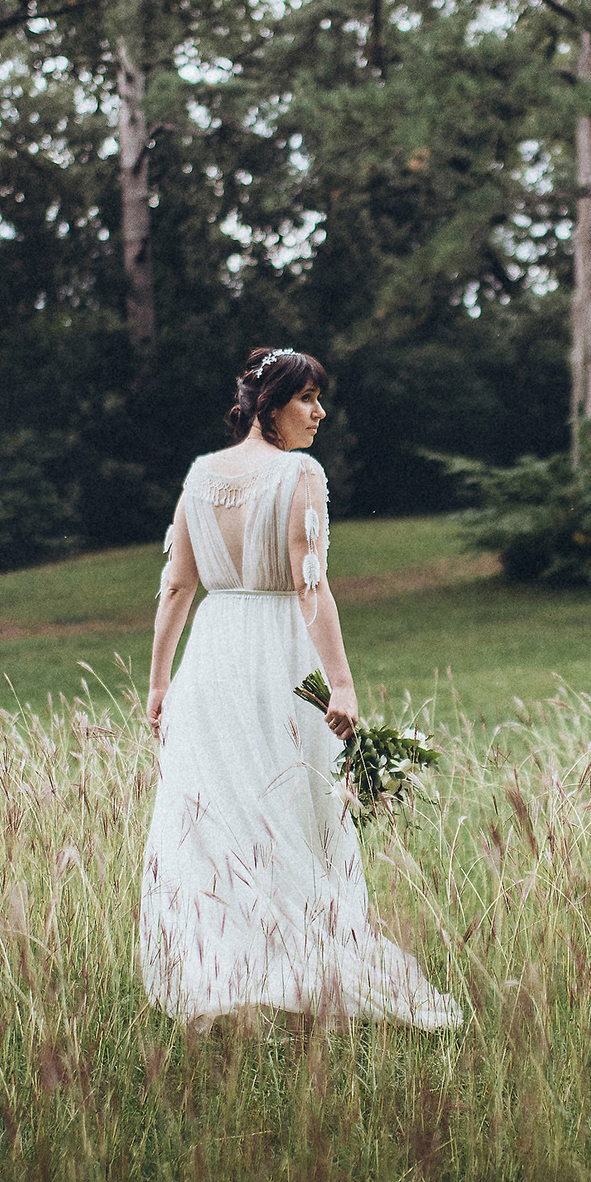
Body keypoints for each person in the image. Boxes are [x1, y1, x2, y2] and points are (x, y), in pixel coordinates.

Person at [136, 346, 464, 1031]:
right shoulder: (298, 473)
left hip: (211, 658)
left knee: (222, 822)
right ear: (269, 405)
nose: (319, 413)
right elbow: (309, 583)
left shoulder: (200, 476)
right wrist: (341, 682)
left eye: (319, 399)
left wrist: (161, 680)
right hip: (274, 658)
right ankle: (293, 979)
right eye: (307, 399)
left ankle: (242, 982)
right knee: (284, 810)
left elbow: (178, 584)